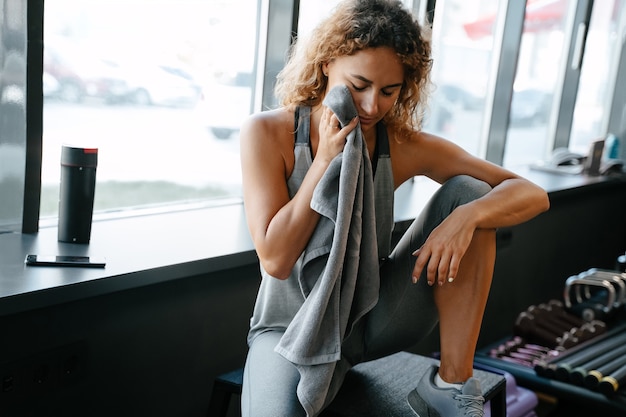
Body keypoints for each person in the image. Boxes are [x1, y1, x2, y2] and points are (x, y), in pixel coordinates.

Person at [239, 1, 550, 416]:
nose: (370, 107)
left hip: (370, 321)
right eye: (359, 84)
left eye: (389, 91)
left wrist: (466, 217)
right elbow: (275, 260)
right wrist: (322, 164)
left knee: (472, 192)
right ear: (327, 62)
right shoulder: (267, 132)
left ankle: (452, 383)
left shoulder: (399, 145)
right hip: (285, 328)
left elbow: (532, 193)